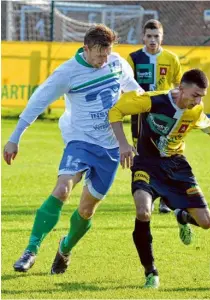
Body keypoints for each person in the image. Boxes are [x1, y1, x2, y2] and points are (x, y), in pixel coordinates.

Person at [3, 24, 142, 274]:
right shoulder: (67, 72)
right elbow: (38, 102)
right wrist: (14, 138)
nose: (103, 59)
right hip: (80, 140)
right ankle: (30, 250)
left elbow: (134, 91)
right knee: (63, 189)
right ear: (86, 49)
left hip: (110, 148)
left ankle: (64, 249)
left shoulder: (117, 63)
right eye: (99, 54)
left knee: (86, 210)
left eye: (107, 53)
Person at [109, 69, 210, 288]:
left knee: (206, 223)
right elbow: (116, 112)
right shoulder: (152, 101)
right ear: (181, 88)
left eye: (202, 96)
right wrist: (123, 144)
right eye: (195, 95)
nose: (198, 101)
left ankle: (183, 216)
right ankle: (151, 272)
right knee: (143, 211)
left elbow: (206, 124)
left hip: (176, 166)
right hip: (146, 163)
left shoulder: (196, 110)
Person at [127, 19, 182, 214]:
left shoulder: (171, 58)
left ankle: (165, 199)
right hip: (140, 115)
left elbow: (178, 86)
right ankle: (147, 194)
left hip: (164, 115)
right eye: (149, 36)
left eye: (156, 36)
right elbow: (127, 85)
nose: (152, 40)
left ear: (162, 37)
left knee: (166, 154)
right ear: (143, 36)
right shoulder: (133, 58)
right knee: (141, 155)